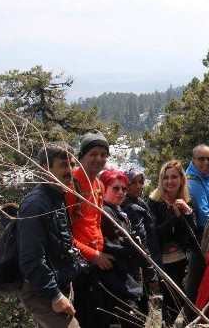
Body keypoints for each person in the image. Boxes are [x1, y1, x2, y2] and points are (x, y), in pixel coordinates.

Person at [17, 143, 84, 328]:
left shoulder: (56, 197)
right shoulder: (36, 205)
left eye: (72, 164)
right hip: (41, 290)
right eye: (63, 165)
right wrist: (54, 295)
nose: (70, 170)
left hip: (56, 283)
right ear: (46, 169)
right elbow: (31, 259)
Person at [65, 132, 114, 327]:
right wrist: (93, 254)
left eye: (103, 154)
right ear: (81, 156)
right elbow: (63, 235)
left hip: (95, 263)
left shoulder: (99, 185)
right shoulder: (71, 186)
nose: (99, 159)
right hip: (77, 266)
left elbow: (96, 223)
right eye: (93, 153)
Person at [147, 160, 197, 325]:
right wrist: (174, 217)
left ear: (181, 179)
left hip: (183, 260)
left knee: (182, 301)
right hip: (163, 262)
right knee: (168, 304)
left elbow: (192, 235)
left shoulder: (187, 201)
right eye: (166, 177)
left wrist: (188, 213)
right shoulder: (154, 202)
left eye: (174, 177)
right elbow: (155, 234)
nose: (169, 181)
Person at [98, 169, 145, 327]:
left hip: (125, 279)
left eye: (124, 189)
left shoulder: (117, 211)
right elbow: (111, 246)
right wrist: (136, 249)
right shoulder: (104, 212)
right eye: (115, 188)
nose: (121, 192)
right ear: (103, 188)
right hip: (115, 282)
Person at [183, 145, 209, 322]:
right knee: (197, 276)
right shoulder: (193, 181)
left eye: (208, 159)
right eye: (201, 159)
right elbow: (204, 215)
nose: (206, 162)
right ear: (193, 160)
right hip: (204, 235)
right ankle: (191, 316)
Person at [121, 168, 159, 314]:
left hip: (147, 262)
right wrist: (151, 273)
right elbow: (140, 243)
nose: (138, 186)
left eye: (141, 182)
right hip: (141, 268)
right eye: (133, 183)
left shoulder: (140, 203)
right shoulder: (130, 209)